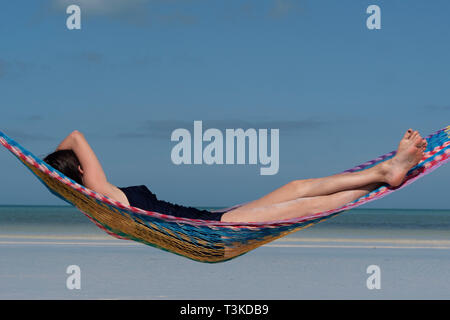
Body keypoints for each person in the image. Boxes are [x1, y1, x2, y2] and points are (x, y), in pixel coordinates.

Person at [43, 129, 427, 223]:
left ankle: (384, 172)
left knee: (295, 188)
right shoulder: (99, 190)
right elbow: (76, 136)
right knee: (305, 204)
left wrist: (54, 171)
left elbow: (66, 167)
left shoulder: (98, 199)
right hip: (217, 231)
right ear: (80, 170)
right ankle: (383, 176)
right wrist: (55, 162)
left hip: (217, 219)